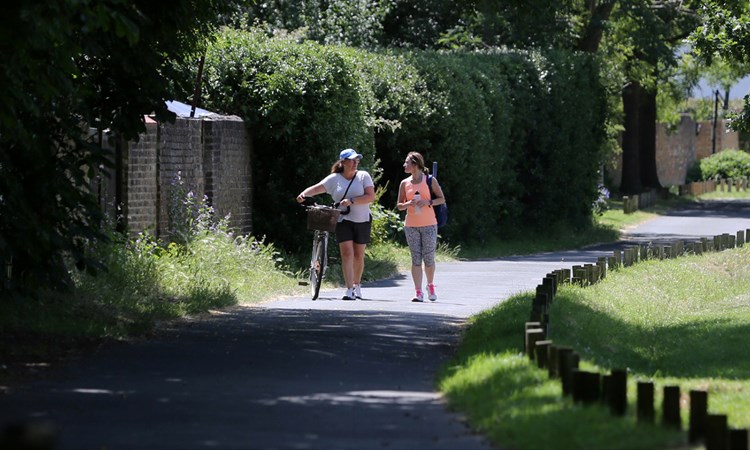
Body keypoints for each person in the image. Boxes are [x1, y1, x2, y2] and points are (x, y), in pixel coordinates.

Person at [297, 149, 376, 300]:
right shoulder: (334, 179)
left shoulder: (363, 176)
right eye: (352, 160)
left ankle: (357, 284)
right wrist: (304, 194)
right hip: (342, 220)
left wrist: (352, 201)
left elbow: (370, 196)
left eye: (356, 160)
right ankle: (349, 289)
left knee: (359, 255)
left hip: (362, 219)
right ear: (343, 162)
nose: (355, 163)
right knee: (347, 253)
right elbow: (317, 188)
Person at [396, 151, 446, 302]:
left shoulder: (430, 180)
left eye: (407, 162)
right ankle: (418, 292)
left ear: (415, 164)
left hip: (429, 224)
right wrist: (407, 204)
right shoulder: (404, 183)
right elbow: (399, 206)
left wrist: (428, 202)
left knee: (429, 258)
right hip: (411, 225)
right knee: (415, 259)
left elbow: (441, 199)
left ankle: (430, 285)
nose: (404, 165)